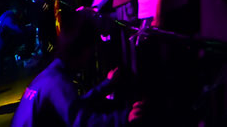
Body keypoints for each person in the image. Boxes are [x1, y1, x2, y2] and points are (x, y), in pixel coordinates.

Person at [9, 13, 141, 126]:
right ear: (82, 50)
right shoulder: (57, 82)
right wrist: (125, 117)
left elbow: (75, 105)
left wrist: (107, 84)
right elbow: (81, 122)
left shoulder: (50, 75)